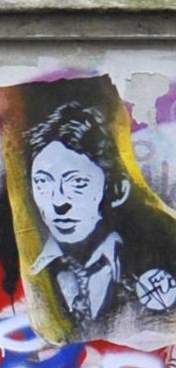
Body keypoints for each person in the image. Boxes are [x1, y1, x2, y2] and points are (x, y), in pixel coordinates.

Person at [22, 99, 176, 336]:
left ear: (117, 189)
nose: (58, 201)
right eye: (42, 183)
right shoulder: (33, 272)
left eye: (77, 183)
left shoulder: (155, 252)